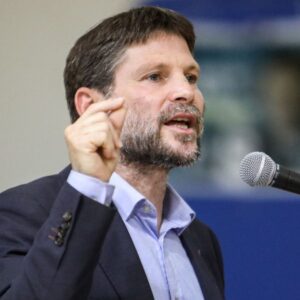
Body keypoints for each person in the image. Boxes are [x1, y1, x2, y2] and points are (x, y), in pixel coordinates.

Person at [0, 6, 225, 300]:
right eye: (156, 76)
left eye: (191, 77)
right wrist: (88, 184)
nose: (186, 91)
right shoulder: (24, 214)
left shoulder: (200, 239)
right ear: (91, 106)